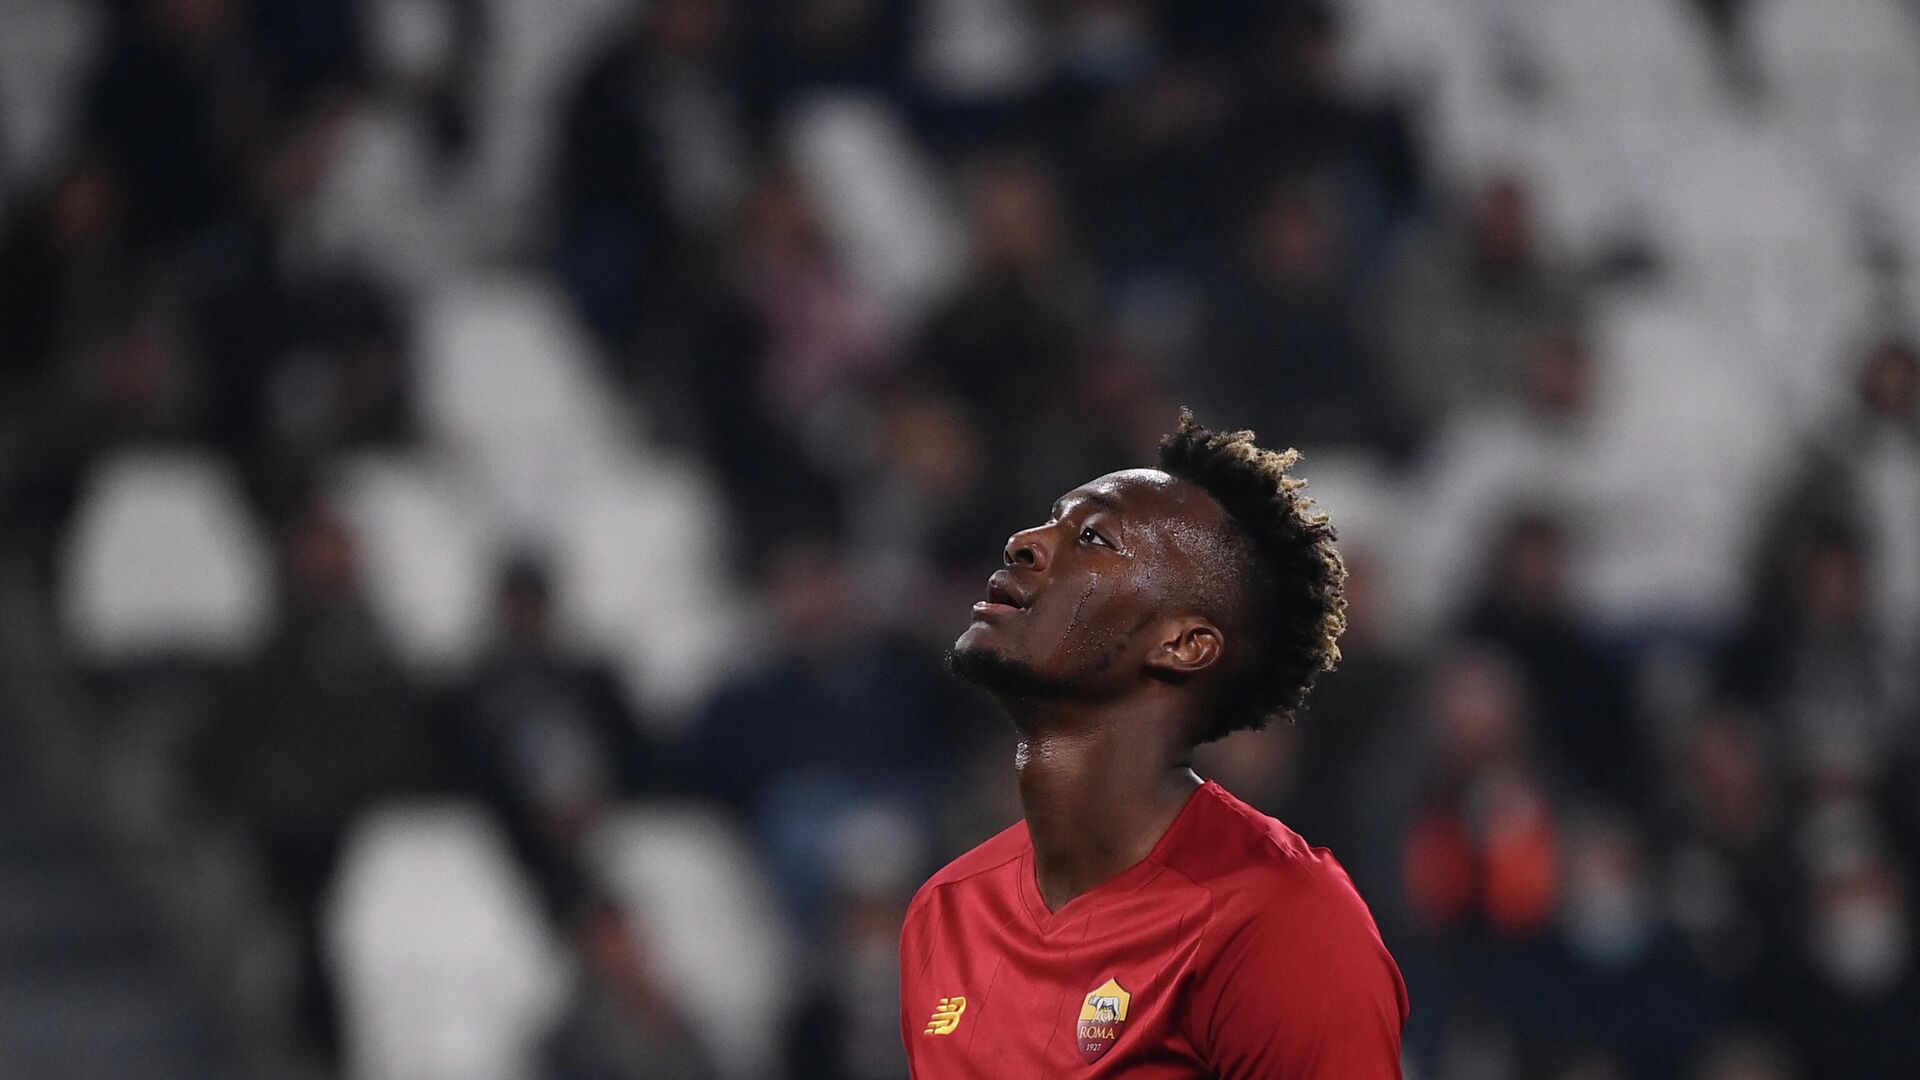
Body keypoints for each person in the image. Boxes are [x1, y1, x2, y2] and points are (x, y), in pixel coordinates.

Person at [899, 411, 1408, 1077]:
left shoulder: (1280, 922)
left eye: (1094, 538)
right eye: (1049, 520)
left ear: (1183, 644)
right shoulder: (945, 911)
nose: (1025, 541)